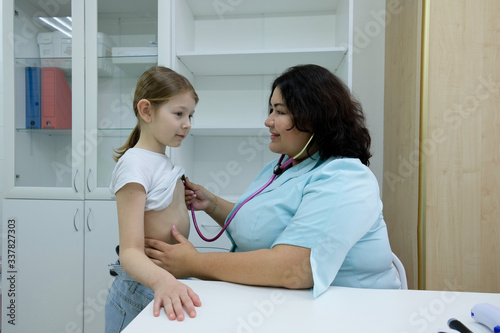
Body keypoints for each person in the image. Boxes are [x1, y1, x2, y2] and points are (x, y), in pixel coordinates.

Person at [144, 64, 402, 298]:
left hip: (354, 312)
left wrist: (195, 263)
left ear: (313, 118)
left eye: (279, 112)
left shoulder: (345, 179)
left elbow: (295, 269)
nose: (268, 121)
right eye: (270, 110)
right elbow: (261, 225)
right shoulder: (282, 166)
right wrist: (212, 204)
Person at [105, 66, 202, 333]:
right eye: (179, 114)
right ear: (146, 111)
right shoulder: (134, 165)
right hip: (142, 287)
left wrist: (178, 200)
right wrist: (162, 282)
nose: (187, 124)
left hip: (163, 279)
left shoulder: (160, 160)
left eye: (191, 115)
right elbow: (130, 253)